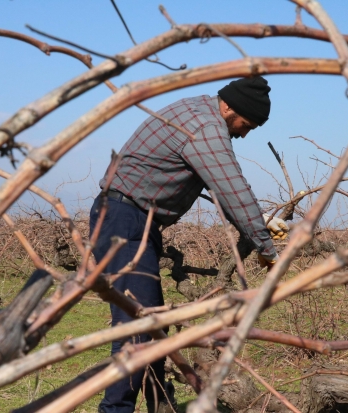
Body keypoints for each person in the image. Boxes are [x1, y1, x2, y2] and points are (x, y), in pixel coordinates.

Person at [90, 76, 288, 413]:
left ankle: (161, 405)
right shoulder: (205, 128)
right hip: (124, 220)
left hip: (130, 218)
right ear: (230, 108)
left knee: (151, 325)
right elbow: (232, 189)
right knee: (136, 330)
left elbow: (216, 184)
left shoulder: (197, 112)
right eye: (246, 125)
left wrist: (260, 221)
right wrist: (268, 250)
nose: (243, 134)